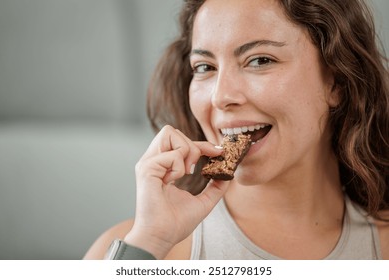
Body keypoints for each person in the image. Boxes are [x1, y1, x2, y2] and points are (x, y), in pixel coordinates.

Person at [84, 0, 389, 260]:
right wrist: (148, 244)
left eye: (259, 60)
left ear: (336, 80)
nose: (220, 96)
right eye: (204, 67)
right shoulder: (133, 249)